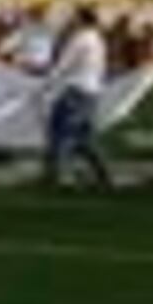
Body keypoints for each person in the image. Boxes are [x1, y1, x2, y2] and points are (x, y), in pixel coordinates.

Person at [37, 11, 116, 190]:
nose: (71, 21)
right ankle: (102, 172)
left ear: (81, 20)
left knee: (60, 132)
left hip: (76, 90)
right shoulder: (98, 39)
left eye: (74, 18)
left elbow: (64, 65)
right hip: (92, 91)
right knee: (84, 138)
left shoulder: (79, 39)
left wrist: (46, 83)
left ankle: (57, 174)